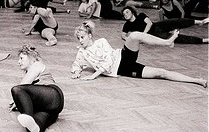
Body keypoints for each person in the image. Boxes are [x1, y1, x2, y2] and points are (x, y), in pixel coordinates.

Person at [71, 20, 207, 87]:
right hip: (125, 69)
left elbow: (108, 62)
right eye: (78, 38)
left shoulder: (101, 41)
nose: (80, 40)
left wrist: (93, 76)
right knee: (161, 73)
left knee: (135, 35)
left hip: (124, 56)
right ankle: (198, 81)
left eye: (82, 37)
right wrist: (77, 72)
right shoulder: (81, 52)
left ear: (89, 35)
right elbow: (77, 64)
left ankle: (167, 42)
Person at [6, 45, 64, 132]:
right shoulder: (32, 68)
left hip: (53, 95)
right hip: (50, 109)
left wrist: (16, 101)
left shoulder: (37, 64)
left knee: (16, 90)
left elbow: (23, 86)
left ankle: (28, 116)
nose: (18, 62)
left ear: (31, 58)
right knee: (35, 130)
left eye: (21, 58)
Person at [121, 6, 208, 44]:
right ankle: (203, 40)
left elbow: (149, 23)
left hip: (157, 26)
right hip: (155, 35)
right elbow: (123, 35)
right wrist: (129, 39)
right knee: (178, 38)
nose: (126, 14)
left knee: (176, 21)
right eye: (124, 14)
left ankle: (200, 22)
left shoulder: (141, 15)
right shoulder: (127, 25)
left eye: (127, 12)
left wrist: (143, 34)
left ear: (132, 12)